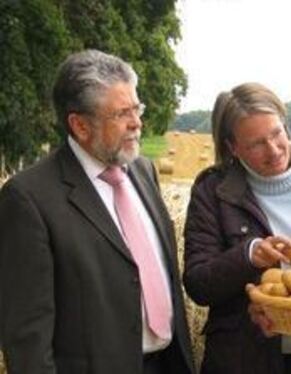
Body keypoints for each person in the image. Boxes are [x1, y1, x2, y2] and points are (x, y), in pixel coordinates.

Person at [0, 50, 194, 374]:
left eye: (137, 108)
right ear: (79, 125)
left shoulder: (144, 171)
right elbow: (27, 336)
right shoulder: (28, 199)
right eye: (121, 114)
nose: (137, 123)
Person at [182, 82, 291, 374]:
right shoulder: (212, 191)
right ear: (232, 147)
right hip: (245, 360)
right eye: (256, 143)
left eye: (276, 134)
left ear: (285, 125)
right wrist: (249, 256)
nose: (273, 150)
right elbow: (198, 284)